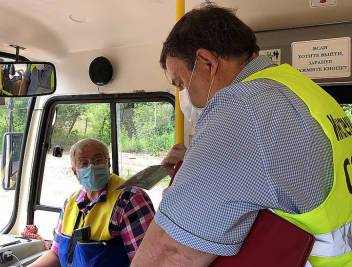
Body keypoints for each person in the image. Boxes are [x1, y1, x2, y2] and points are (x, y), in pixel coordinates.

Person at [132, 4, 352, 267]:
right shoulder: (299, 88)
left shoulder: (242, 107)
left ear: (207, 63)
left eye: (180, 83)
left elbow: (172, 250)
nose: (183, 95)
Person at [29, 138, 155, 267]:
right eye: (84, 163)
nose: (92, 167)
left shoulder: (129, 199)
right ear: (75, 172)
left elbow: (147, 261)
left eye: (98, 160)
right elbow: (56, 253)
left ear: (108, 163)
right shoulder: (71, 203)